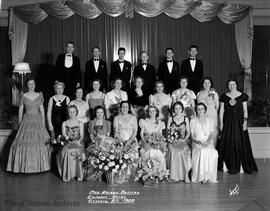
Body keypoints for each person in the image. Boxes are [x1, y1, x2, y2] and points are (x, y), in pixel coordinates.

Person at [7, 78, 51, 173]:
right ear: (27, 85)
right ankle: (23, 166)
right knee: (22, 144)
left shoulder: (39, 95)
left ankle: (42, 166)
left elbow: (42, 110)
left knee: (41, 143)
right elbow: (20, 110)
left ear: (35, 85)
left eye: (33, 83)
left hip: (37, 120)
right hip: (27, 119)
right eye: (29, 83)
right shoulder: (24, 95)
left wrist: (43, 123)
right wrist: (20, 123)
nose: (31, 85)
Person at [217, 78, 258, 174]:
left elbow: (245, 111)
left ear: (236, 85)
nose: (232, 86)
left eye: (233, 84)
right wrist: (221, 124)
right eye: (230, 85)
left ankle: (241, 166)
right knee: (228, 143)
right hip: (227, 123)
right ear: (228, 86)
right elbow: (221, 111)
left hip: (239, 123)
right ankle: (227, 166)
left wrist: (245, 122)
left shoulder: (242, 96)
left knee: (240, 143)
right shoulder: (224, 96)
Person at [190, 103, 218, 184]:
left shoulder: (210, 120)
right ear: (196, 111)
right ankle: (201, 177)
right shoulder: (193, 121)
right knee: (202, 151)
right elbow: (192, 136)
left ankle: (208, 176)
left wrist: (207, 142)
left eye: (202, 109)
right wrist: (198, 142)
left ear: (205, 110)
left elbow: (212, 134)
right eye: (198, 109)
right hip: (197, 141)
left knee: (212, 152)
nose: (200, 111)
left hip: (208, 141)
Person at [56, 105, 84, 182]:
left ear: (76, 112)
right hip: (67, 143)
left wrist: (78, 141)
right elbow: (64, 135)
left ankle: (78, 174)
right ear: (68, 113)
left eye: (74, 112)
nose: (72, 113)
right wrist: (66, 139)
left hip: (77, 142)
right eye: (70, 112)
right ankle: (67, 174)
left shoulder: (80, 123)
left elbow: (81, 136)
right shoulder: (64, 123)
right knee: (66, 151)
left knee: (77, 150)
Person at [113, 101, 138, 183]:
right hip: (120, 140)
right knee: (120, 155)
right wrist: (122, 141)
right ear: (120, 108)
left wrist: (129, 141)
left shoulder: (133, 117)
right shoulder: (116, 118)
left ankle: (131, 175)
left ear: (129, 108)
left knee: (132, 155)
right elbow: (115, 132)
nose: (124, 109)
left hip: (131, 140)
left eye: (126, 107)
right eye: (123, 107)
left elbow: (135, 131)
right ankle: (121, 176)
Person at [167, 102, 191, 183]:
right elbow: (167, 131)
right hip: (172, 141)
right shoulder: (171, 118)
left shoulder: (185, 118)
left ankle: (185, 175)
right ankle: (173, 176)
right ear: (174, 109)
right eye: (176, 108)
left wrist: (184, 140)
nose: (178, 110)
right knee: (173, 150)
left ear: (182, 109)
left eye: (179, 108)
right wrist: (171, 139)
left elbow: (188, 132)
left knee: (182, 151)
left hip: (182, 141)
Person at [139, 106, 166, 171]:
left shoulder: (159, 122)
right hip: (146, 141)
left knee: (158, 152)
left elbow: (160, 134)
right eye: (150, 111)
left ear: (156, 112)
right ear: (148, 112)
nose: (152, 113)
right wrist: (144, 141)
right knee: (147, 151)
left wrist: (159, 142)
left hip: (156, 142)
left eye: (153, 111)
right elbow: (141, 133)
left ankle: (159, 171)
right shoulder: (144, 121)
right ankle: (147, 171)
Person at [197, 77, 219, 146]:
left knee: (212, 132)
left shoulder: (214, 93)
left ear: (210, 84)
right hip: (201, 114)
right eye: (205, 83)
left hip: (211, 115)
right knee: (202, 132)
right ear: (203, 84)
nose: (206, 84)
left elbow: (217, 106)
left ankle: (212, 149)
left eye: (208, 83)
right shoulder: (199, 93)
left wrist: (214, 114)